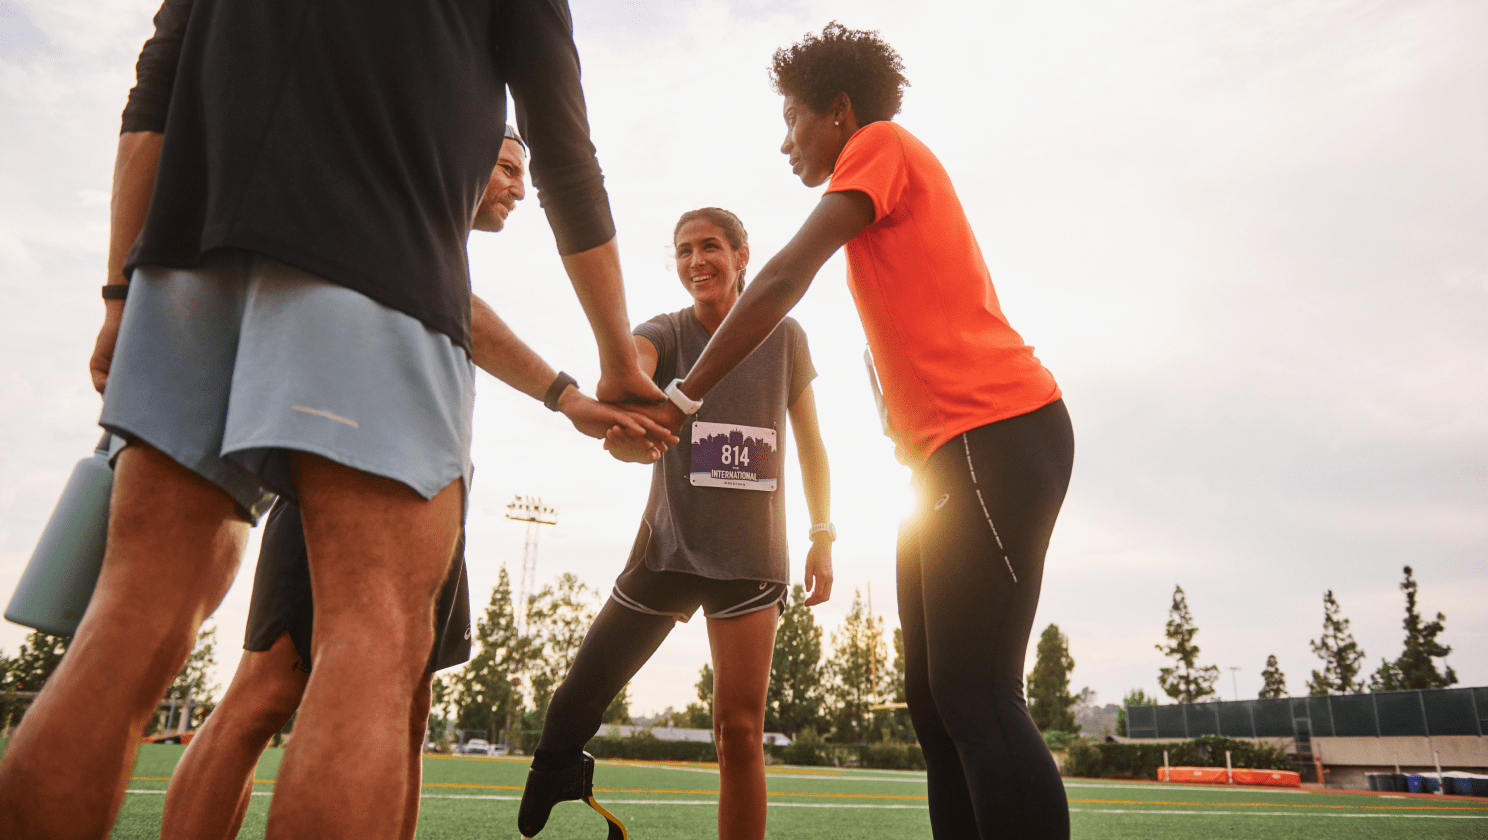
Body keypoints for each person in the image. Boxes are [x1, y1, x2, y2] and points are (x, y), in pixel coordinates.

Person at [0, 1, 671, 838]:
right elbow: (564, 148)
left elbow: (154, 92)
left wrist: (119, 293)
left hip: (185, 267)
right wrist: (616, 357)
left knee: (127, 618)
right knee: (372, 639)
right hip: (376, 268)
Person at [631, 24, 1075, 840]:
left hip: (998, 432)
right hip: (944, 462)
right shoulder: (882, 200)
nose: (785, 141)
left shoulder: (879, 144)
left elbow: (782, 278)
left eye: (792, 119)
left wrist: (682, 398)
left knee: (977, 693)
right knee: (935, 704)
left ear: (839, 112)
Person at [158, 129, 638, 840]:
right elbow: (467, 315)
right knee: (265, 694)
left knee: (409, 708)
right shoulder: (400, 214)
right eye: (507, 168)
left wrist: (565, 399)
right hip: (344, 472)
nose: (518, 187)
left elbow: (465, 314)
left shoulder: (439, 249)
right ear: (461, 155)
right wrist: (568, 394)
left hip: (431, 486)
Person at [517, 208, 834, 840]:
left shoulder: (786, 335)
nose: (696, 261)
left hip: (750, 557)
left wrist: (822, 534)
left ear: (742, 256)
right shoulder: (664, 330)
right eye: (684, 251)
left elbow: (812, 445)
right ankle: (556, 766)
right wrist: (622, 415)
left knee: (738, 732)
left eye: (710, 246)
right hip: (669, 548)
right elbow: (630, 371)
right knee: (576, 698)